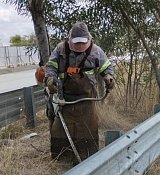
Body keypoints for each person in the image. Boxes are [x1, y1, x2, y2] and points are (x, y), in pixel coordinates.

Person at [44, 22, 115, 163]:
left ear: (88, 40)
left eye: (83, 43)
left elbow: (106, 67)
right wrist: (50, 78)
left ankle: (88, 157)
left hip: (87, 98)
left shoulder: (95, 51)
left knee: (88, 127)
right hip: (65, 98)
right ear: (70, 40)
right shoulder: (61, 49)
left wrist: (108, 76)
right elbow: (51, 65)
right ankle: (63, 158)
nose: (80, 46)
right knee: (61, 130)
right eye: (76, 43)